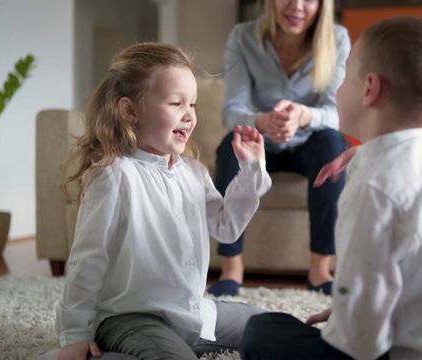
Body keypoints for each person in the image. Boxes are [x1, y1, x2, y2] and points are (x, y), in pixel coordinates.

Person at [240, 17, 422, 360]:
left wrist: (348, 319)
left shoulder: (371, 191)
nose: (338, 88)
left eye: (344, 77)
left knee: (260, 332)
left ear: (370, 89)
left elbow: (361, 343)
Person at [37, 42, 272, 360]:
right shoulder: (113, 176)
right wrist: (74, 334)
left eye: (193, 105)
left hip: (190, 313)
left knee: (274, 329)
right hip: (128, 318)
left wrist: (251, 170)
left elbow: (227, 228)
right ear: (130, 111)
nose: (189, 115)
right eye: (176, 103)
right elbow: (87, 262)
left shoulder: (194, 173)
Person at [208, 0, 350, 298]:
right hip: (261, 139)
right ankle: (232, 267)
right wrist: (263, 120)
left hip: (310, 140)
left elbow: (335, 112)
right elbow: (231, 112)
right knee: (230, 145)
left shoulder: (336, 38)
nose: (297, 6)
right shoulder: (242, 37)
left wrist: (303, 116)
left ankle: (319, 269)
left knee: (332, 144)